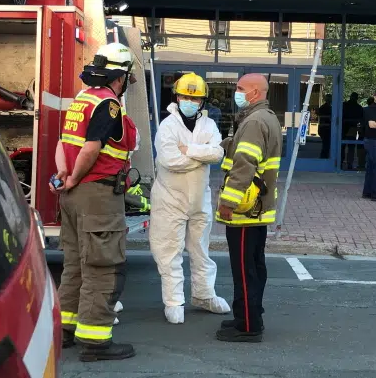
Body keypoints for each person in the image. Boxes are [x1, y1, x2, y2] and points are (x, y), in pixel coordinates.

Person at [51, 42, 139, 362]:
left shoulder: (82, 100)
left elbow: (64, 143)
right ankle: (96, 341)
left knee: (74, 265)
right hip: (97, 194)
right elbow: (91, 148)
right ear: (121, 76)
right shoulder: (109, 105)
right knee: (102, 266)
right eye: (128, 76)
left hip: (73, 197)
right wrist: (75, 176)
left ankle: (65, 330)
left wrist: (64, 175)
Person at [149, 73, 230, 324]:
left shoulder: (209, 125)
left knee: (201, 250)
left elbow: (218, 153)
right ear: (177, 96)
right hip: (170, 199)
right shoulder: (168, 126)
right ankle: (174, 302)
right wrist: (200, 156)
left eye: (195, 98)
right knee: (169, 251)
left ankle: (204, 295)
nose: (189, 101)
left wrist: (190, 151)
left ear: (202, 101)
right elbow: (169, 160)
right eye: (185, 96)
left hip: (198, 200)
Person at [215, 73, 282, 343]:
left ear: (255, 92)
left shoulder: (254, 122)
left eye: (241, 88)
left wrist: (228, 203)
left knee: (244, 268)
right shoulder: (265, 118)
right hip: (258, 207)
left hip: (245, 209)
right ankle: (249, 314)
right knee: (254, 265)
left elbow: (244, 165)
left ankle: (247, 326)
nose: (237, 92)